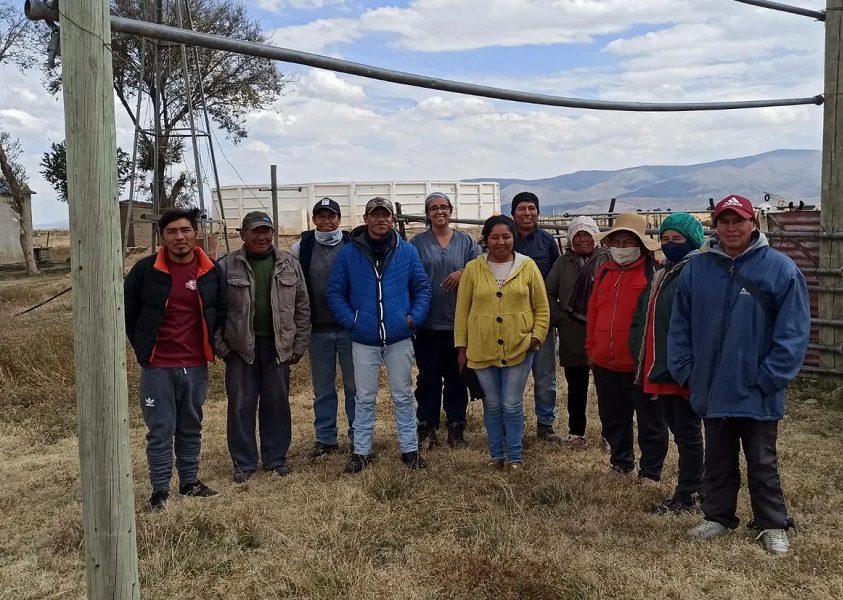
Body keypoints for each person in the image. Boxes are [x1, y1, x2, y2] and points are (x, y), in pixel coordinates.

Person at [669, 195, 810, 555]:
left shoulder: (780, 269)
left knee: (762, 460)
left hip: (757, 386)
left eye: (738, 221)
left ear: (753, 224)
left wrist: (771, 376)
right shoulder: (698, 270)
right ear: (715, 226)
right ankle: (718, 516)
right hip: (711, 383)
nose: (731, 228)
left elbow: (793, 331)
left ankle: (772, 523)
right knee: (717, 456)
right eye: (724, 222)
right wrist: (687, 371)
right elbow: (679, 324)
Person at [124, 208, 226, 511]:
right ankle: (159, 491)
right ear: (162, 237)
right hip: (158, 366)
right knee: (160, 430)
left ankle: (189, 482)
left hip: (195, 364)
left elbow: (220, 311)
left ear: (195, 233)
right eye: (171, 231)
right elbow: (129, 315)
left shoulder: (210, 270)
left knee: (191, 425)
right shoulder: (145, 271)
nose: (179, 237)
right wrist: (145, 349)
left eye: (185, 230)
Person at [327, 197, 432, 473]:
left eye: (385, 214)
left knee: (403, 394)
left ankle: (410, 449)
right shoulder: (349, 253)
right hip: (364, 339)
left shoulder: (406, 251)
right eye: (375, 214)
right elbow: (335, 292)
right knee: (364, 397)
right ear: (365, 218)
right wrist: (352, 321)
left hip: (399, 337)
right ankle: (361, 452)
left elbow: (422, 288)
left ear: (392, 219)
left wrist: (411, 319)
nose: (381, 219)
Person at [216, 211, 311, 482]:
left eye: (266, 231)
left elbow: (302, 306)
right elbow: (213, 311)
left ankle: (275, 459)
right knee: (240, 405)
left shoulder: (290, 264)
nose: (262, 237)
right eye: (255, 231)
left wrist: (299, 344)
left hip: (278, 347)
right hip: (240, 349)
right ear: (243, 234)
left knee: (276, 403)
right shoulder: (225, 266)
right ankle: (244, 462)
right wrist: (222, 348)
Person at [455, 215, 550, 472]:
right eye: (494, 237)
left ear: (513, 238)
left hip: (520, 346)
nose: (501, 242)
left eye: (506, 236)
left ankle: (515, 457)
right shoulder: (473, 268)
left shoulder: (527, 266)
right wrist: (462, 348)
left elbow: (542, 307)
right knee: (492, 404)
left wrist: (536, 336)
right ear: (486, 240)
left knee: (511, 403)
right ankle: (496, 455)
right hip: (481, 347)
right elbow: (462, 311)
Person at [629, 213, 705, 514]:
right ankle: (696, 488)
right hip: (663, 364)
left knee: (687, 432)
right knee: (679, 429)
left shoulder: (694, 272)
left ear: (692, 241)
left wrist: (689, 365)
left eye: (677, 239)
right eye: (665, 239)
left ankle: (689, 494)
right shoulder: (666, 272)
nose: (670, 244)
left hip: (682, 366)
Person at [586, 212, 668, 484]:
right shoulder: (605, 272)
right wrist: (592, 349)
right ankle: (621, 465)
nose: (621, 248)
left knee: (650, 420)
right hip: (605, 362)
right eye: (616, 242)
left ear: (641, 245)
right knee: (613, 417)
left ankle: (651, 472)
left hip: (639, 364)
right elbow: (594, 313)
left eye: (628, 242)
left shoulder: (653, 273)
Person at [410, 192, 481, 450]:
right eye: (433, 208)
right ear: (427, 214)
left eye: (443, 207)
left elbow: (481, 269)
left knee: (456, 377)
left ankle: (456, 427)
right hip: (427, 323)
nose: (439, 212)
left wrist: (464, 271)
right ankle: (427, 427)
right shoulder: (416, 243)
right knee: (428, 379)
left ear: (451, 210)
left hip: (458, 323)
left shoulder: (466, 242)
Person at [291, 198, 356, 460]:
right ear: (314, 220)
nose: (326, 221)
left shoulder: (352, 244)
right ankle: (326, 439)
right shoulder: (301, 247)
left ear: (339, 219)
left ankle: (358, 436)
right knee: (323, 389)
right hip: (316, 331)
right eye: (321, 216)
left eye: (331, 216)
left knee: (355, 387)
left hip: (349, 330)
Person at [545, 215, 609, 447]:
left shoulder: (607, 259)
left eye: (587, 234)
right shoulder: (563, 263)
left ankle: (610, 433)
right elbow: (548, 292)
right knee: (576, 386)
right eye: (578, 235)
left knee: (606, 387)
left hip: (602, 331)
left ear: (595, 236)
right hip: (572, 330)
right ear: (571, 237)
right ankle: (576, 432)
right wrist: (560, 319)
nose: (582, 239)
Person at [510, 192, 561, 442]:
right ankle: (513, 422)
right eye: (522, 208)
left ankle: (545, 423)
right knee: (512, 375)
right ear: (513, 213)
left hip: (542, 317)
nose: (527, 213)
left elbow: (557, 277)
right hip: (510, 319)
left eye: (532, 208)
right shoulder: (505, 238)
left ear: (538, 213)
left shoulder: (548, 241)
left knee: (545, 374)